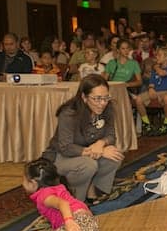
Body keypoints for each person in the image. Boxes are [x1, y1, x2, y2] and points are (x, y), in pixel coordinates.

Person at [44, 74, 124, 202]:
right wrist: (100, 151)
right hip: (60, 156)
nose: (102, 103)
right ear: (84, 97)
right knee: (88, 165)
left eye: (105, 98)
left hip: (86, 153)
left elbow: (111, 136)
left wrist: (101, 142)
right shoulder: (69, 114)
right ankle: (75, 199)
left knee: (115, 155)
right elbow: (66, 147)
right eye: (97, 99)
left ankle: (90, 187)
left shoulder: (107, 108)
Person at [134, 47, 167, 136]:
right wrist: (150, 89)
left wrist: (155, 66)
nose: (156, 57)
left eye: (159, 55)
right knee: (138, 99)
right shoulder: (155, 69)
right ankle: (146, 124)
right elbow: (152, 82)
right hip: (155, 91)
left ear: (166, 57)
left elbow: (162, 73)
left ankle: (166, 124)